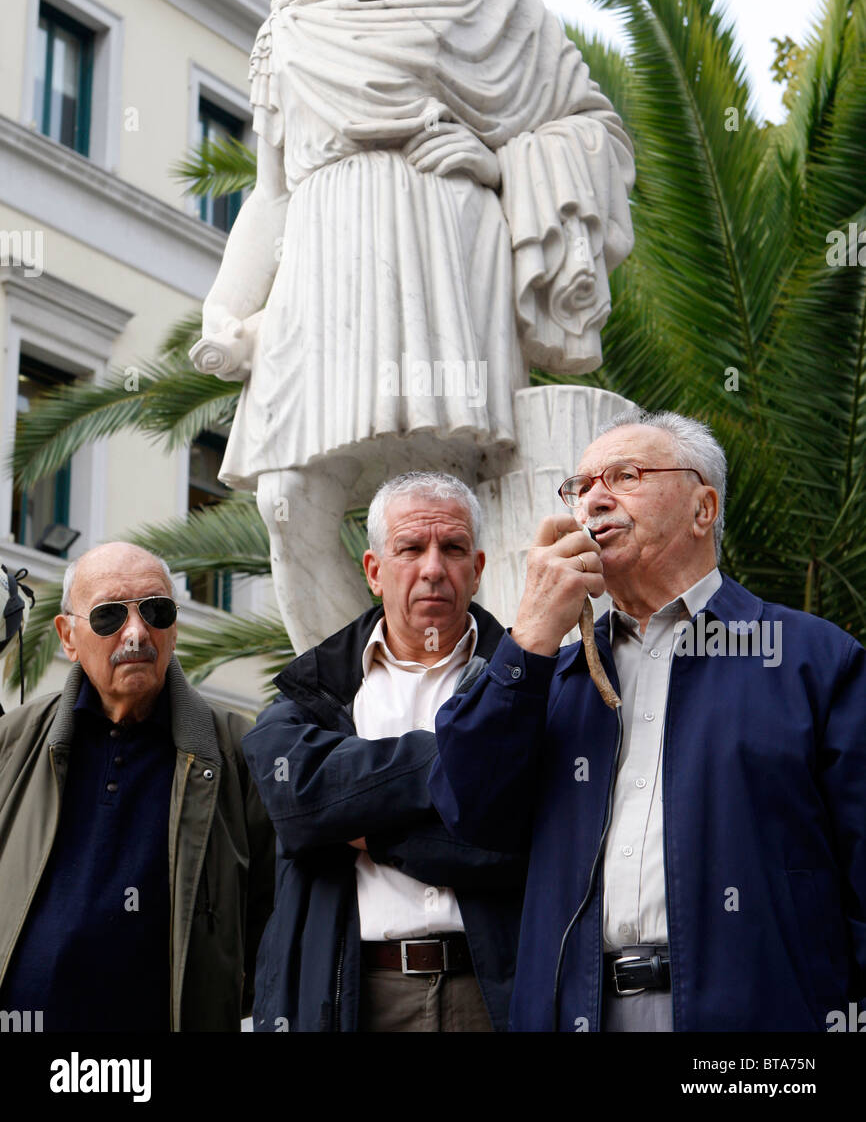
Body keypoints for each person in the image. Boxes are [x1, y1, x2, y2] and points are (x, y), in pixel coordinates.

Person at [190, 0, 635, 654]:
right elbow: (272, 192)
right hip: (318, 276)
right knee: (285, 498)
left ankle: (461, 710)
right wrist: (225, 303)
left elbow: (596, 132)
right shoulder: (291, 30)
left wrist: (503, 165)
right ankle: (357, 715)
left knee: (440, 495)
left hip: (438, 270)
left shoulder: (482, 4)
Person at [430, 410, 866, 1032]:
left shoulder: (812, 660)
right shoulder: (548, 673)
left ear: (702, 508)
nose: (595, 500)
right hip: (576, 1011)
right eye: (581, 488)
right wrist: (527, 634)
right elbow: (468, 810)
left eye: (625, 475)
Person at [241, 472, 526, 1032]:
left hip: (494, 992)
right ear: (374, 571)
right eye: (411, 549)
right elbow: (299, 803)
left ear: (478, 568)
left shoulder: (526, 684)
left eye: (453, 548)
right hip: (354, 992)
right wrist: (459, 761)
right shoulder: (315, 689)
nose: (433, 569)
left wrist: (368, 829)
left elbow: (518, 844)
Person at [0, 542, 274, 1032]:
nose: (136, 632)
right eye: (108, 616)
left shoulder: (239, 752)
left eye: (156, 611)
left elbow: (271, 919)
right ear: (67, 635)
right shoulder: (12, 744)